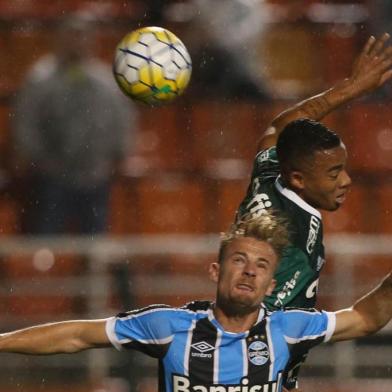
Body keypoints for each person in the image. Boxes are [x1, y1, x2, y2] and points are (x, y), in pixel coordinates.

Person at [0, 213, 391, 392]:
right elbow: (77, 335)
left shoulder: (287, 328)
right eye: (239, 261)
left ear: (271, 285)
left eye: (261, 266)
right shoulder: (168, 326)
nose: (249, 272)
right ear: (215, 271)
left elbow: (365, 318)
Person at [234, 33, 392, 389]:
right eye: (334, 173)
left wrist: (353, 87)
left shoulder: (271, 172)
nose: (347, 181)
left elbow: (281, 126)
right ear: (299, 179)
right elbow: (260, 325)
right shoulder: (287, 243)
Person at [12, 13, 136, 234]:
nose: (77, 42)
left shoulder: (106, 81)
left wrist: (120, 152)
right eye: (71, 36)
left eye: (82, 37)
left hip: (96, 176)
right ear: (59, 39)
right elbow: (26, 121)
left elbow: (122, 119)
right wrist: (34, 157)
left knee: (94, 246)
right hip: (51, 177)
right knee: (47, 245)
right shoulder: (41, 78)